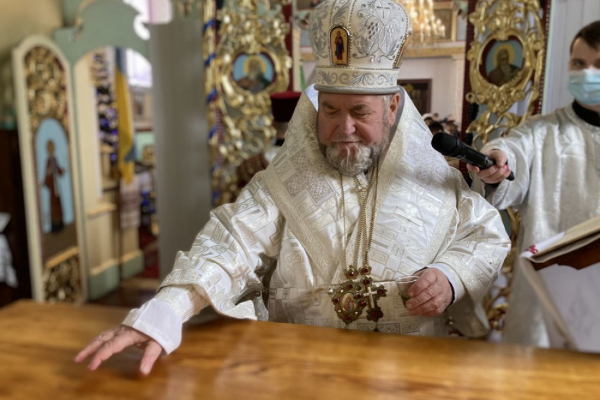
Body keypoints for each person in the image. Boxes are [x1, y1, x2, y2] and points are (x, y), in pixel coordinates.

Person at [76, 0, 510, 375]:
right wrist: (164, 312)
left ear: (392, 106)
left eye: (360, 111)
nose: (343, 128)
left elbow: (487, 234)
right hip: (301, 366)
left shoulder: (437, 179)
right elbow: (230, 245)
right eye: (331, 110)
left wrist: (451, 276)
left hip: (409, 370)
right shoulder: (278, 185)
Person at [468, 20, 600, 347]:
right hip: (549, 301)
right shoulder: (542, 132)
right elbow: (512, 151)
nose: (587, 74)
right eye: (578, 63)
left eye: (598, 64)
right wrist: (497, 159)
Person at [43, 140, 65, 233]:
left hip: (56, 185)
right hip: (52, 187)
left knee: (58, 203)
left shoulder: (54, 159)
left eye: (52, 147)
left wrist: (61, 171)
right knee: (53, 205)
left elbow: (58, 169)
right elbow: (47, 174)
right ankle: (55, 226)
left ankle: (60, 223)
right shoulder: (48, 160)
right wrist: (48, 174)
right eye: (50, 148)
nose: (51, 149)